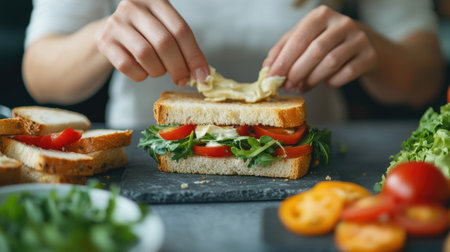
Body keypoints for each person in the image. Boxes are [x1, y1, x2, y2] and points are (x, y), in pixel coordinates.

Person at [22, 0, 444, 128]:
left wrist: (372, 48)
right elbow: (40, 74)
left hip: (315, 182)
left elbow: (426, 75)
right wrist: (101, 38)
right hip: (141, 177)